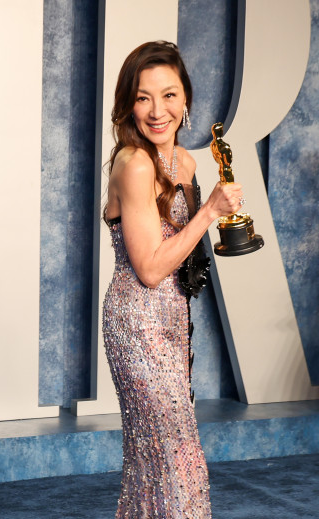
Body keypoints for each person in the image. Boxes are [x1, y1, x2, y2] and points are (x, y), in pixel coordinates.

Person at [102, 41, 244, 518]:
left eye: (169, 95)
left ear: (185, 101)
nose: (157, 110)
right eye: (143, 97)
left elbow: (184, 256)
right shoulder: (134, 164)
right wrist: (208, 212)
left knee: (155, 463)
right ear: (128, 104)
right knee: (176, 459)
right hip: (136, 326)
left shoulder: (186, 162)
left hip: (172, 323)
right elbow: (149, 268)